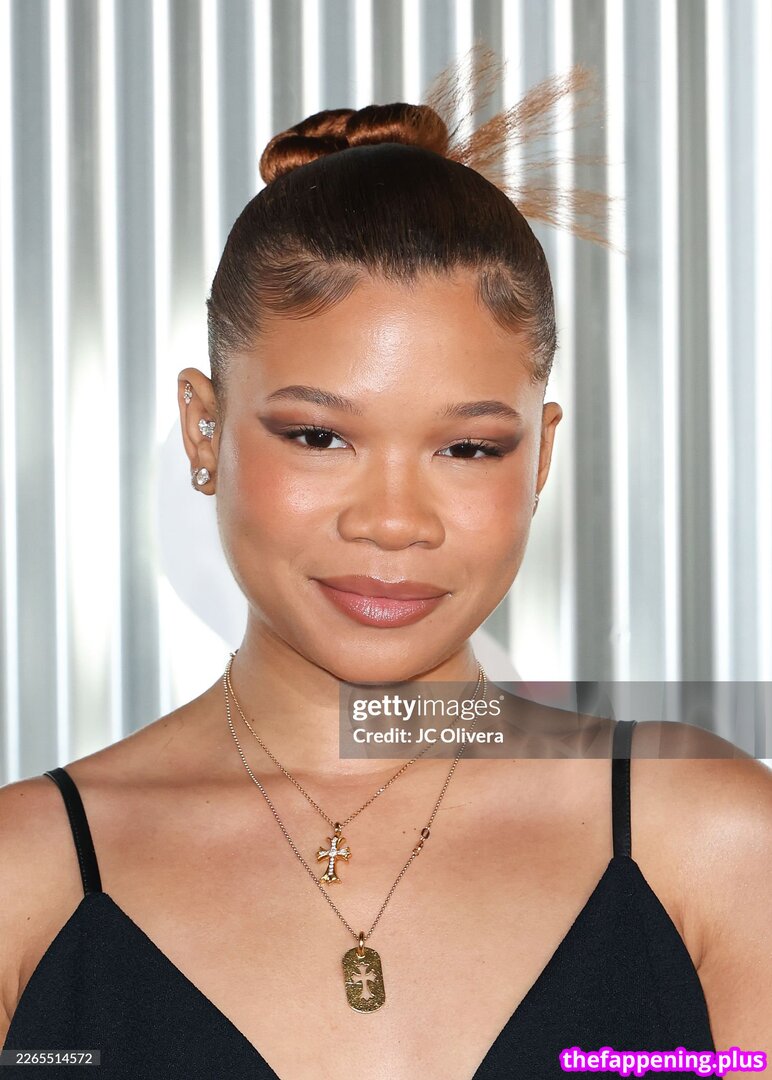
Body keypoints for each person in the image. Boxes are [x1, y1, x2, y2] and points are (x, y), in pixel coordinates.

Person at [0, 44, 770, 1080]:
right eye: (319, 436)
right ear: (202, 429)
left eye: (469, 448)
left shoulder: (712, 840)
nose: (394, 522)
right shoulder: (26, 880)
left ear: (540, 457)